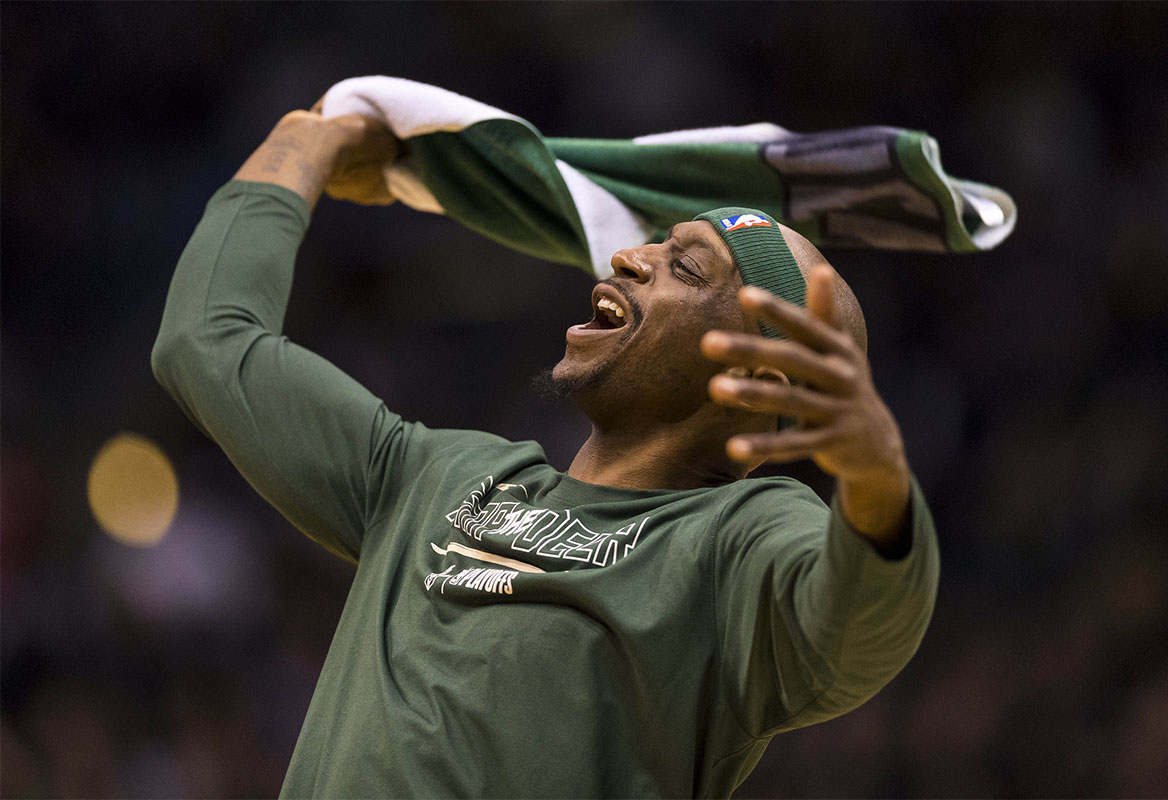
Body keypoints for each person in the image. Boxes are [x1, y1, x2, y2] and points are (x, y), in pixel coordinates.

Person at [153, 104, 939, 799]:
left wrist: (876, 478)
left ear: (759, 378)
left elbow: (859, 631)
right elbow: (208, 343)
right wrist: (307, 141)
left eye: (686, 267)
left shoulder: (736, 544)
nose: (629, 258)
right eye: (653, 245)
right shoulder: (433, 475)